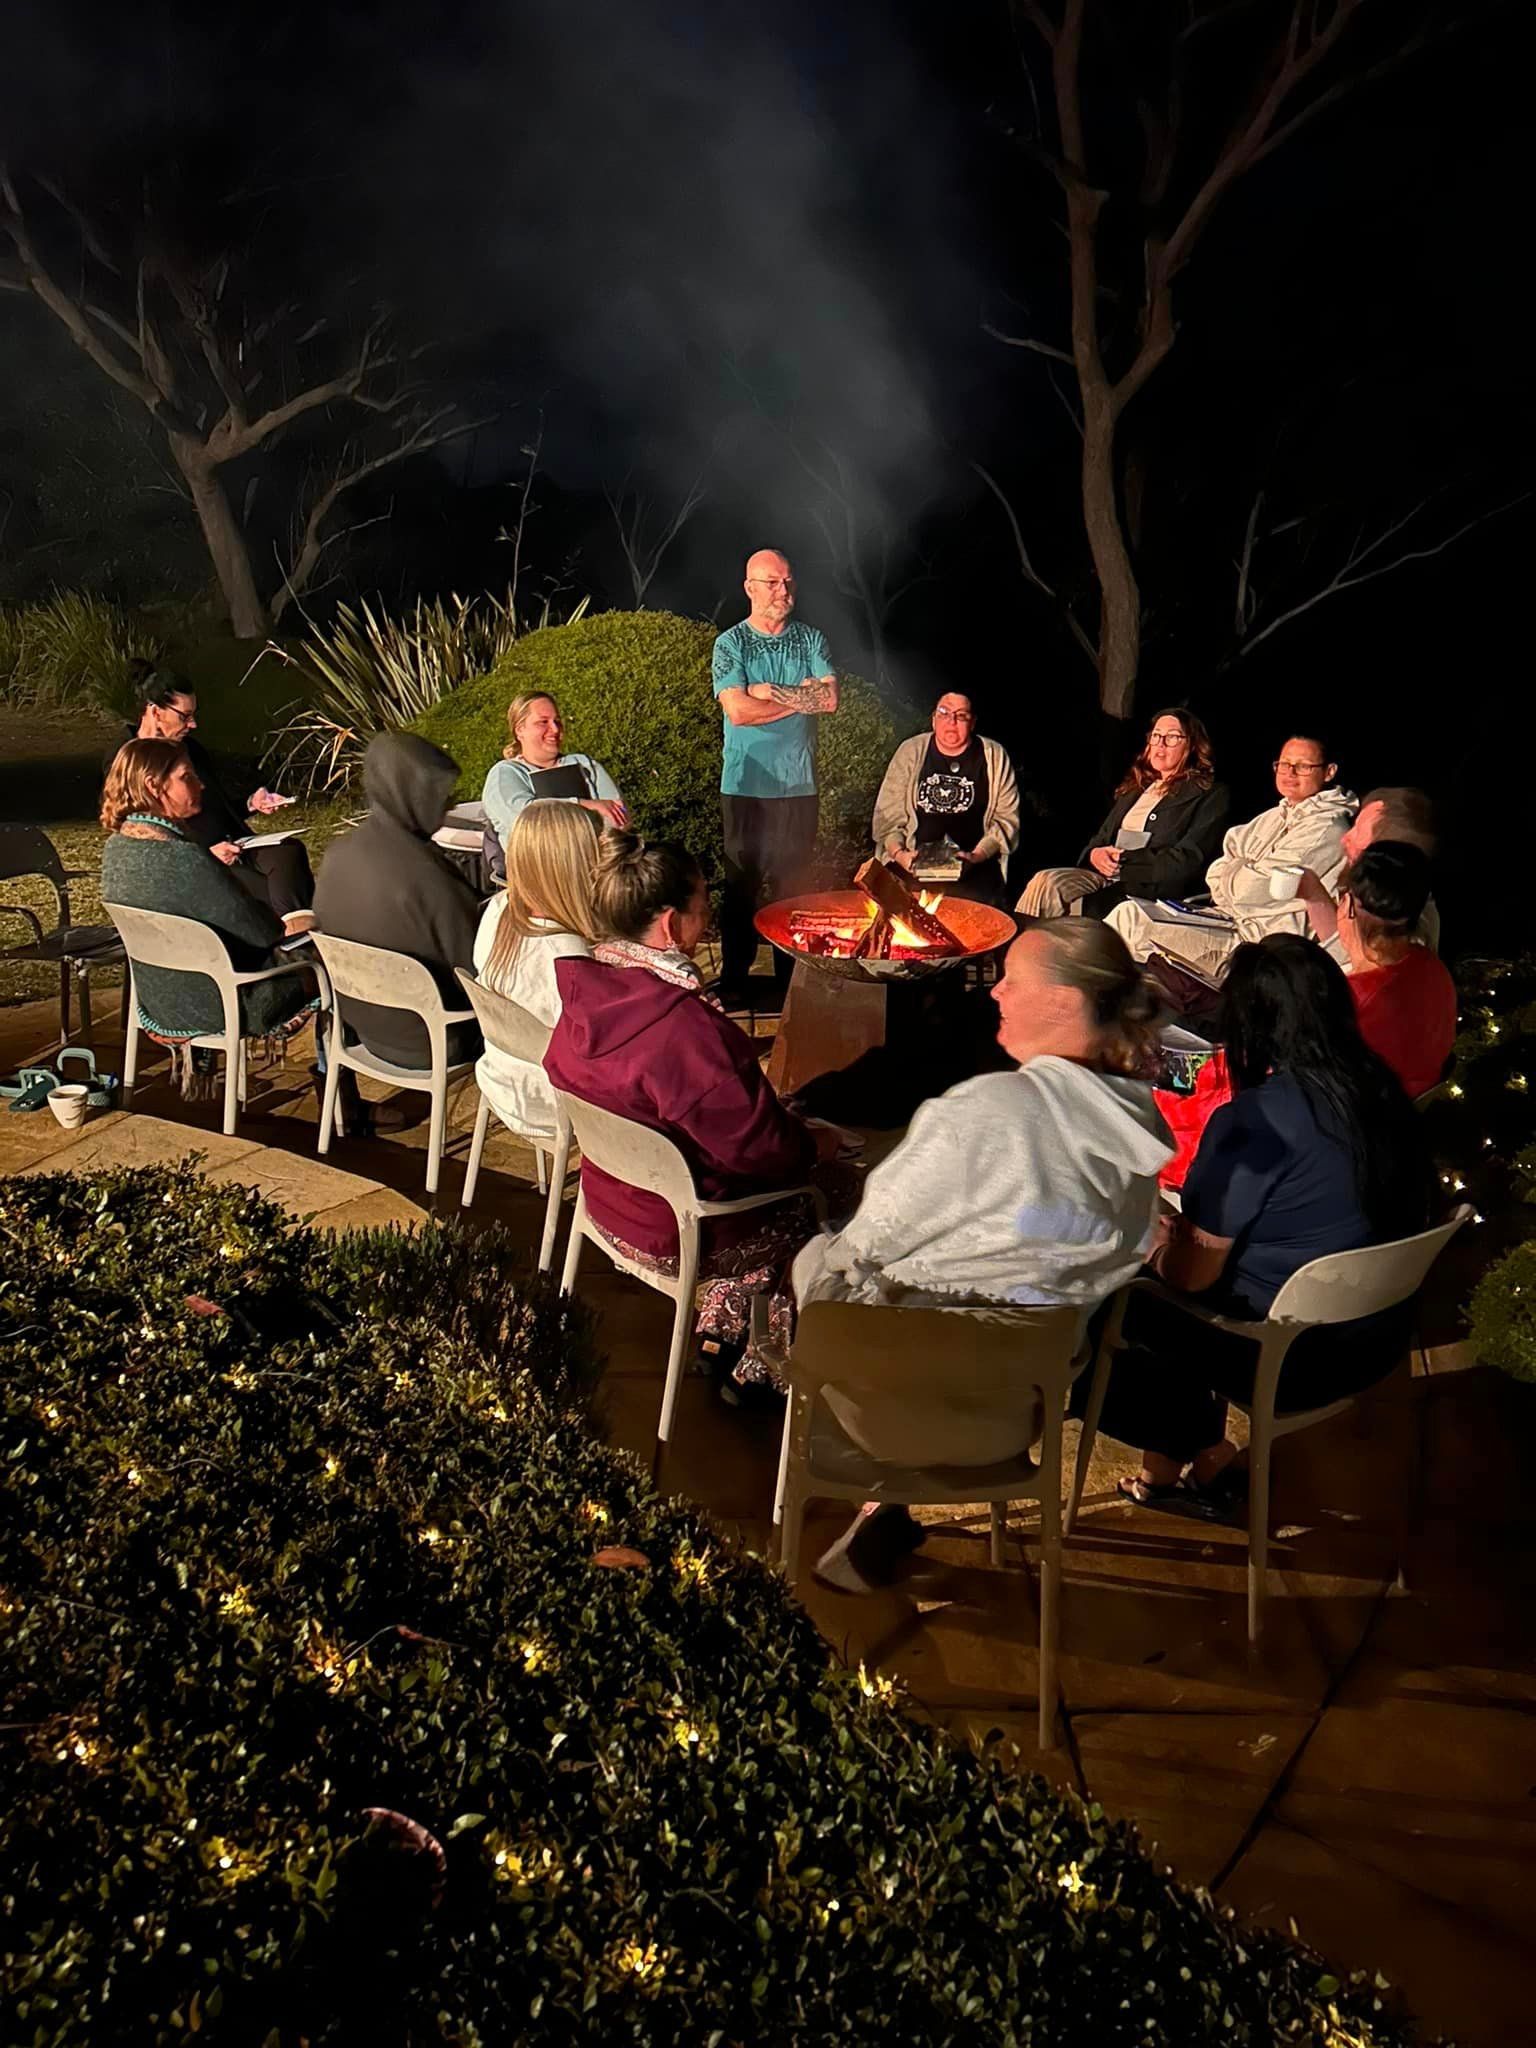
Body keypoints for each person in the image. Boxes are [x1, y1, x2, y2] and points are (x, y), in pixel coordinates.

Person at [796, 919, 1176, 1593]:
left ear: (1063, 1003)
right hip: (1018, 1410)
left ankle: (873, 1493)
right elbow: (1040, 1235)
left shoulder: (984, 1112)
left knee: (817, 1259)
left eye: (1013, 980)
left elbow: (866, 1242)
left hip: (889, 1409)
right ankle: (888, 1509)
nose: (995, 993)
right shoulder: (1139, 1141)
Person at [1100, 934, 1434, 1518]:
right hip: (1377, 1335)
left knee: (1115, 1301)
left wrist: (1154, 1241)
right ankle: (1174, 1470)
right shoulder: (1382, 1087)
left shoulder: (1256, 1121)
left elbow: (1193, 1276)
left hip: (1289, 1356)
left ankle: (1201, 1453)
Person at [542, 830, 844, 1397]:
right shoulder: (684, 1029)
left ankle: (721, 1330)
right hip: (678, 1228)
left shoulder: (587, 994)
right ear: (670, 923)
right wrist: (815, 1145)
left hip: (611, 1202)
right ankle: (764, 1365)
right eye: (703, 903)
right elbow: (763, 1154)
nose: (709, 913)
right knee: (833, 1192)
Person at [1155, 842, 1457, 1188]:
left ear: (1348, 907)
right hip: (1373, 1129)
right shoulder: (1432, 971)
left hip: (1316, 1136)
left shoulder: (1348, 1002)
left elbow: (1268, 1086)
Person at [100, 738, 318, 1079]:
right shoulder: (186, 859)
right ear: (154, 786)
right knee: (326, 962)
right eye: (187, 777)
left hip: (159, 1000)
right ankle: (342, 1095)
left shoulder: (116, 849)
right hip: (222, 1002)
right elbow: (263, 934)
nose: (199, 784)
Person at [1107, 732, 1355, 978]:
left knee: (1130, 925)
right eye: (1284, 764)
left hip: (1259, 945)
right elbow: (1216, 871)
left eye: (1302, 767)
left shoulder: (1327, 829)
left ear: (1329, 771)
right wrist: (1240, 872)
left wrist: (1237, 871)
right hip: (1226, 919)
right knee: (1128, 913)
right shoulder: (1273, 816)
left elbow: (1252, 890)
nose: (1289, 773)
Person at [313, 733, 483, 1073]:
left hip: (367, 1030)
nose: (449, 804)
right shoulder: (427, 876)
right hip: (437, 1039)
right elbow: (478, 968)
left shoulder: (336, 855)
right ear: (411, 793)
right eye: (440, 794)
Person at [711, 548, 839, 999]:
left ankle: (792, 986)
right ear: (750, 588)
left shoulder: (811, 640)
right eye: (772, 583)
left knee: (794, 888)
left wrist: (766, 691)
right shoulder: (730, 644)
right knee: (740, 885)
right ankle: (735, 985)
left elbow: (828, 701)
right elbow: (738, 712)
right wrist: (795, 695)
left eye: (788, 582)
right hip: (744, 786)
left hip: (797, 786)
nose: (783, 591)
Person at [121, 667, 314, 920]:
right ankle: (289, 938)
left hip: (233, 843)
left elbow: (215, 805)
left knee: (289, 852)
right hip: (197, 859)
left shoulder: (191, 750)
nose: (192, 724)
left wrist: (251, 803)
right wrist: (204, 857)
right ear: (156, 712)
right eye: (184, 716)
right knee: (262, 894)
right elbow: (141, 835)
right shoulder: (127, 760)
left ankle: (296, 931)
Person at [472, 799, 603, 1141]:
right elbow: (595, 1047)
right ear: (579, 866)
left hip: (499, 1079)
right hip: (553, 1104)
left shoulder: (498, 911)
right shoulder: (570, 957)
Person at [1018, 708, 1228, 920]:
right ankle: (1015, 946)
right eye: (1156, 736)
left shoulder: (1209, 793)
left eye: (1172, 737)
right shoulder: (1136, 787)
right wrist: (1094, 854)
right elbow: (1101, 838)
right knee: (1046, 881)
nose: (1160, 743)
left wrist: (1125, 862)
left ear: (1192, 745)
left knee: (1095, 904)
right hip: (1106, 873)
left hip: (1148, 884)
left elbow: (1188, 858)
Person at [871, 692, 1021, 905]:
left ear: (972, 722)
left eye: (961, 715)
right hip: (912, 863)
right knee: (892, 905)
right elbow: (888, 817)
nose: (951, 721)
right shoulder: (911, 751)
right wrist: (900, 854)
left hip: (973, 866)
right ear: (933, 719)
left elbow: (1007, 819)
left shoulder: (994, 756)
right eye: (944, 713)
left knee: (980, 915)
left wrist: (978, 855)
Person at [479, 692, 626, 883]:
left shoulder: (583, 764)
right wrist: (587, 805)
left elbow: (618, 816)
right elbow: (525, 819)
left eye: (557, 721)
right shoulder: (506, 774)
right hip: (541, 882)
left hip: (600, 873)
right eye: (543, 722)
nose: (555, 729)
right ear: (520, 730)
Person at [1294, 785, 1441, 960]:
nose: (1345, 838)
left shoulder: (1404, 915)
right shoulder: (1368, 886)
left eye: (1360, 832)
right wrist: (1314, 895)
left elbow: (1353, 962)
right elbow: (1343, 944)